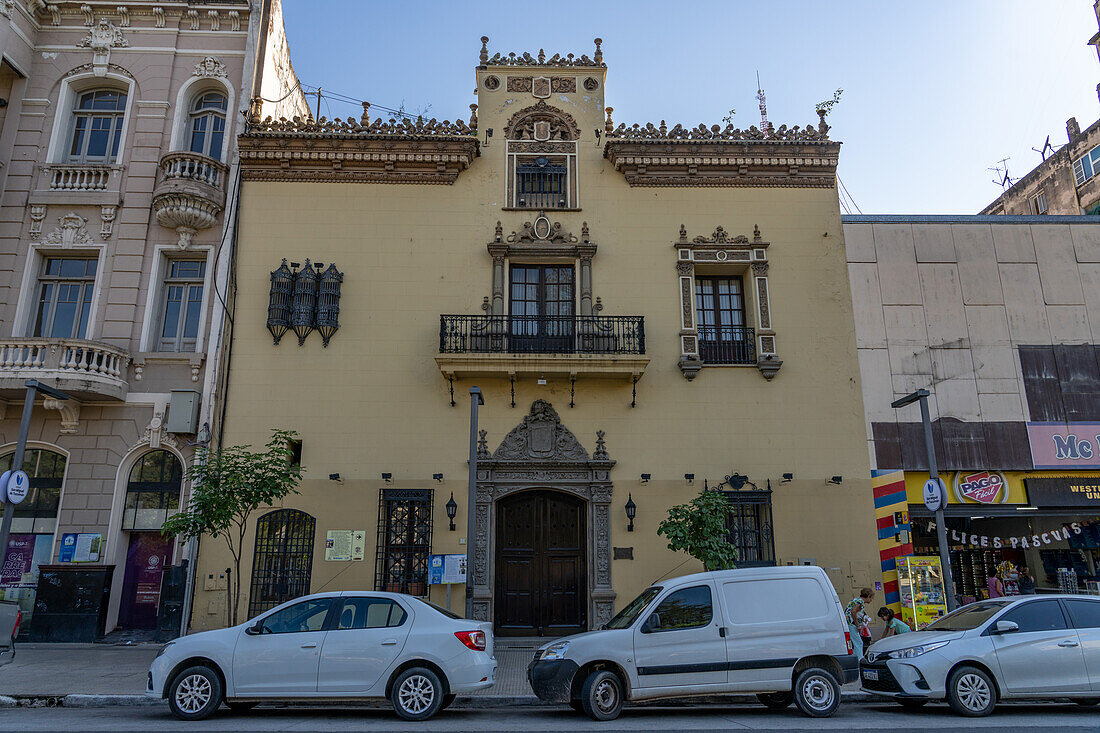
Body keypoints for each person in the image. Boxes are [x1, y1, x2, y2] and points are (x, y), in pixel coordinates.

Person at [846, 587, 874, 656]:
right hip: (851, 624)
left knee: (855, 643)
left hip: (848, 623)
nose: (871, 600)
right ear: (868, 596)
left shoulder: (856, 600)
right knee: (858, 643)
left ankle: (855, 658)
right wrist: (858, 625)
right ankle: (859, 660)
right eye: (871, 598)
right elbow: (853, 611)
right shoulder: (860, 602)